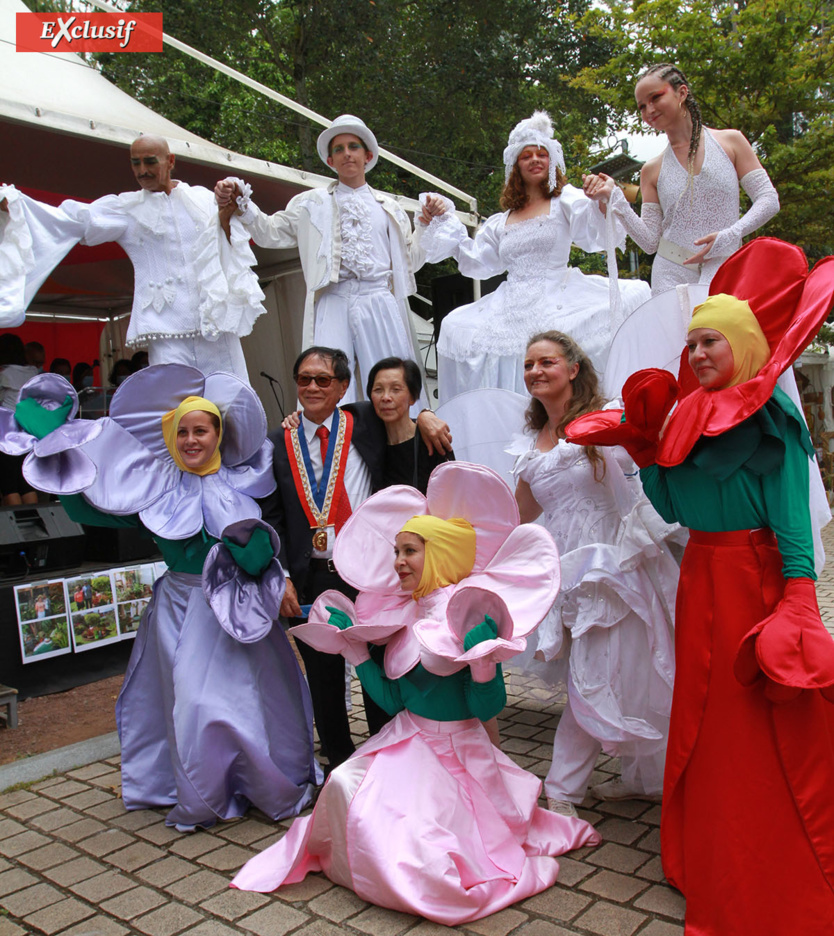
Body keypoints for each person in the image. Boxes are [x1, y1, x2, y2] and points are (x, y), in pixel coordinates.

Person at [565, 239, 834, 934]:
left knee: (752, 722)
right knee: (707, 716)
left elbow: (792, 523)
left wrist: (800, 598)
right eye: (693, 343)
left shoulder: (774, 427)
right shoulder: (688, 416)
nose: (699, 352)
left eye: (711, 340)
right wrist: (647, 450)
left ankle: (762, 852)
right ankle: (709, 845)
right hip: (702, 580)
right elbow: (677, 507)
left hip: (754, 580)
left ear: (742, 345)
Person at [232, 461, 600, 924]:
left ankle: (404, 870)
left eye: (410, 551)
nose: (398, 562)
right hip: (406, 742)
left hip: (456, 757)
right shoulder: (401, 613)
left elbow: (485, 707)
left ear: (440, 555)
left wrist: (482, 661)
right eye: (396, 551)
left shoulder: (464, 614)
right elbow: (393, 702)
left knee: (423, 847)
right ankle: (365, 860)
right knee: (345, 783)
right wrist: (358, 652)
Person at [4, 363, 320, 831]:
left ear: (219, 435)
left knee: (259, 698)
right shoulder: (153, 491)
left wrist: (271, 572)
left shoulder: (245, 483)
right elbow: (91, 508)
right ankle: (209, 791)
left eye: (203, 431)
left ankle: (265, 778)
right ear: (172, 436)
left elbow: (267, 543)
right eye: (184, 432)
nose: (193, 440)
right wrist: (60, 454)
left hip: (243, 609)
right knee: (193, 703)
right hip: (182, 611)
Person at [511, 331, 678, 816]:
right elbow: (518, 516)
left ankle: (561, 792)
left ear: (573, 368)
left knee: (595, 676)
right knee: (617, 672)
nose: (536, 371)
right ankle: (647, 779)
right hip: (567, 575)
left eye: (547, 362)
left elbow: (648, 472)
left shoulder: (606, 418)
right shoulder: (530, 444)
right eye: (528, 365)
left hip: (613, 571)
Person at [262, 346, 450, 770]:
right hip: (311, 575)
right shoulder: (277, 440)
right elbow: (270, 514)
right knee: (324, 675)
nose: (312, 387)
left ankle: (386, 759)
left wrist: (427, 416)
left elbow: (401, 405)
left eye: (323, 380)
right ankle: (339, 764)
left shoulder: (363, 421)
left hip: (369, 574)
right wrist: (280, 577)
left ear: (343, 387)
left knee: (378, 667)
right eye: (304, 379)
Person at [419, 111, 650, 403]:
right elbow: (477, 262)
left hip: (558, 296)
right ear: (516, 165)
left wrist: (601, 203)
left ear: (552, 160)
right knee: (454, 326)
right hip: (510, 302)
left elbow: (594, 235)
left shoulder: (565, 200)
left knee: (629, 298)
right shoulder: (501, 221)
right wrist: (444, 223)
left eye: (542, 154)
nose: (535, 160)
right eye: (526, 155)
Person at [215, 115, 441, 409]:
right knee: (325, 380)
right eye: (339, 149)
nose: (347, 153)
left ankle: (399, 447)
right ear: (330, 160)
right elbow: (270, 232)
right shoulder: (311, 203)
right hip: (333, 297)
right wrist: (243, 205)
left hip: (378, 298)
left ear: (367, 155)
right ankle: (332, 451)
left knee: (392, 379)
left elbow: (411, 262)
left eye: (353, 146)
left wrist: (425, 225)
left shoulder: (391, 209)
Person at [0, 136, 265, 381]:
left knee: (234, 404)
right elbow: (76, 220)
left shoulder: (203, 198)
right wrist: (18, 205)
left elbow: (237, 240)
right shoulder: (127, 208)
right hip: (166, 331)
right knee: (175, 410)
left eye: (150, 161)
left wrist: (229, 200)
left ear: (170, 161)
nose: (142, 170)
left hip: (216, 327)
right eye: (135, 163)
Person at [582, 63, 779, 296]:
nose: (649, 110)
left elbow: (769, 199)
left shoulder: (731, 142)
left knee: (719, 331)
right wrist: (614, 198)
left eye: (656, 97)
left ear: (682, 93)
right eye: (642, 106)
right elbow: (649, 242)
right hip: (670, 275)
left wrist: (731, 235)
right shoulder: (652, 169)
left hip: (725, 267)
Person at [366, 356, 453, 493]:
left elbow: (451, 495)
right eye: (378, 390)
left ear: (412, 397)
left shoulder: (432, 439)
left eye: (396, 389)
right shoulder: (366, 442)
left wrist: (425, 414)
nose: (386, 397)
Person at [0, 333, 39, 505]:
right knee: (25, 483)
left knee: (8, 483)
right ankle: (35, 520)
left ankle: (15, 526)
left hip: (5, 433)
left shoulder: (4, 373)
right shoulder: (33, 371)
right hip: (27, 431)